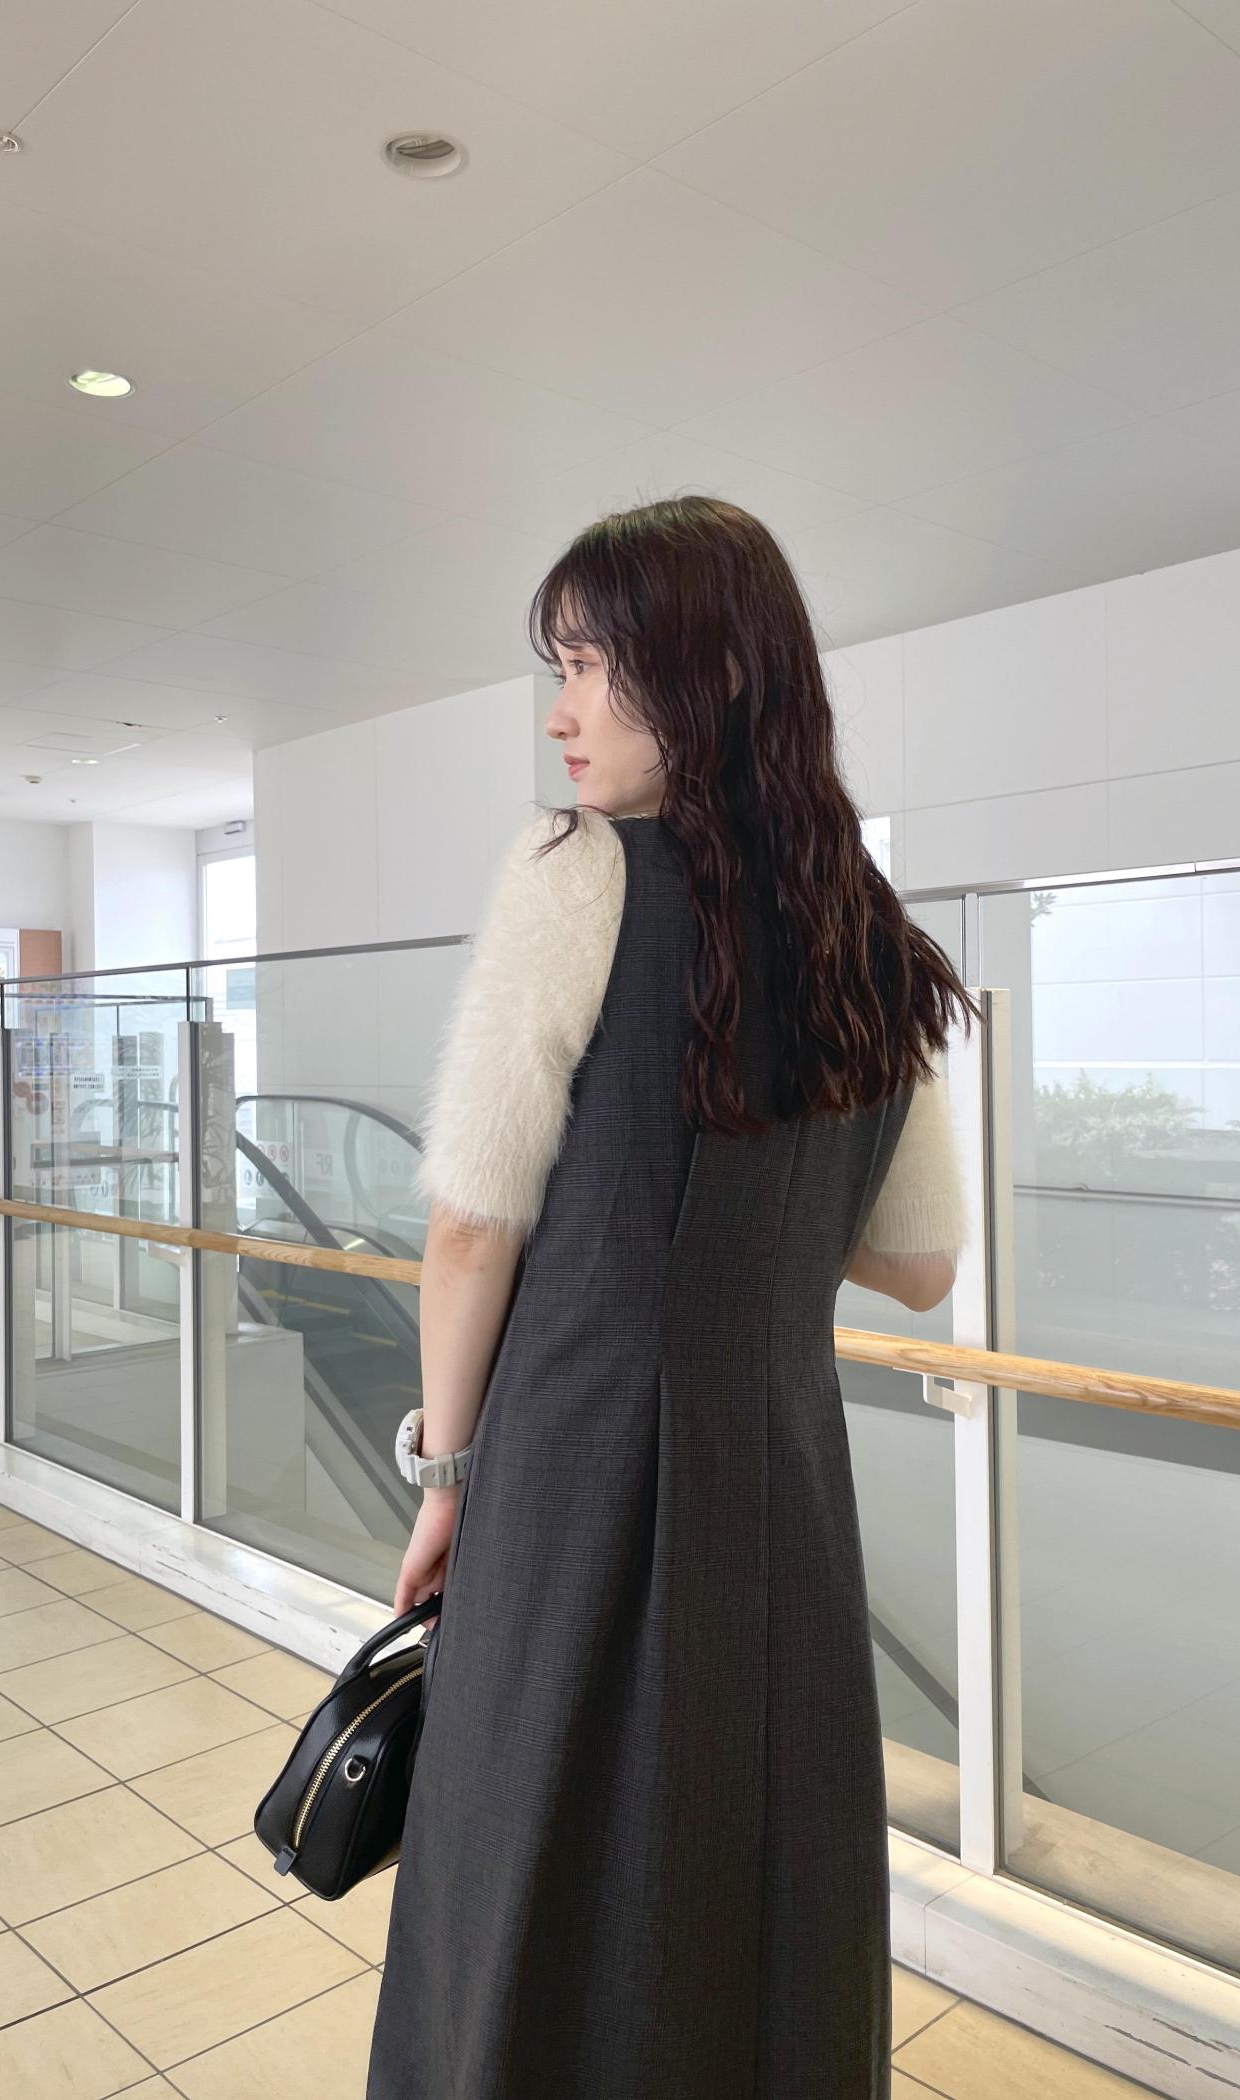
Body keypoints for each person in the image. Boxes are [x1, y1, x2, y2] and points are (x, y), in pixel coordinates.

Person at [365, 494, 978, 2099]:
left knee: (533, 1857)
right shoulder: (875, 934)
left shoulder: (576, 876)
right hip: (779, 1485)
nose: (559, 712)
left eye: (590, 665)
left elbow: (471, 1231)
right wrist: (755, 1219)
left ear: (706, 674)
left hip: (570, 1466)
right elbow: (922, 1266)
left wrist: (444, 1474)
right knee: (757, 1867)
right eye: (557, 668)